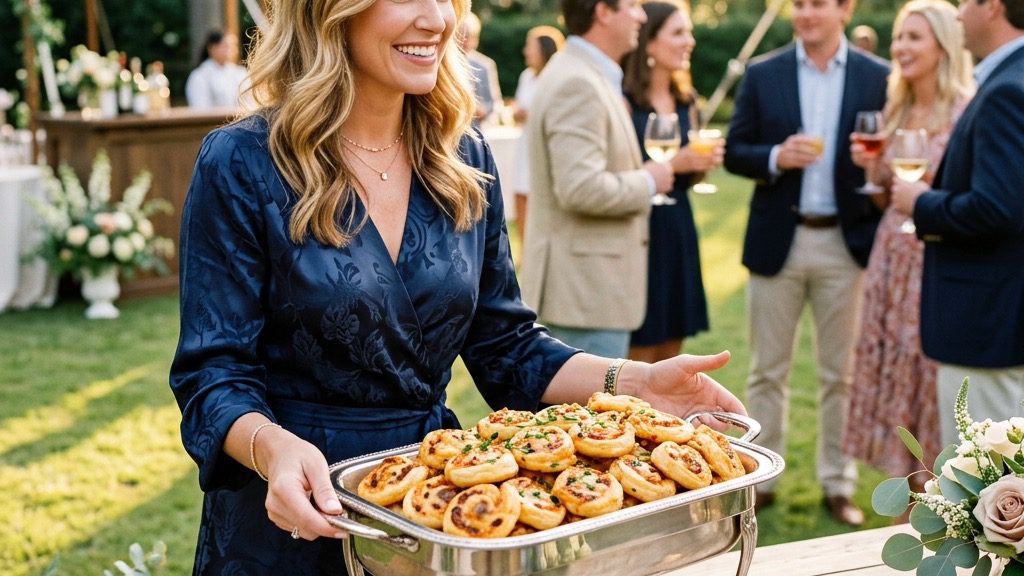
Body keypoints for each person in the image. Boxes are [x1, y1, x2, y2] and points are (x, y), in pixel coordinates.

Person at [169, 0, 745, 573]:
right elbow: (212, 375)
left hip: (432, 517)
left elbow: (507, 346)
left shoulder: (463, 158)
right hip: (284, 521)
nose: (437, 19)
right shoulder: (242, 161)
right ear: (330, 12)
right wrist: (272, 449)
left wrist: (634, 382)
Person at [724, 0, 889, 526]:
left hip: (846, 244)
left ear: (845, 9)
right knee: (767, 370)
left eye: (817, 3)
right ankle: (763, 479)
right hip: (780, 239)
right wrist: (775, 157)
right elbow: (734, 150)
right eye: (797, 4)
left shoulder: (879, 77)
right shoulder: (762, 72)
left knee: (840, 375)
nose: (805, 13)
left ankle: (837, 482)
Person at [842, 0, 974, 494]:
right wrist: (867, 170)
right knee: (892, 363)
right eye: (899, 37)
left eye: (914, 37)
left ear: (943, 45)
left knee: (927, 372)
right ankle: (904, 494)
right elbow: (884, 199)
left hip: (933, 258)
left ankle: (935, 494)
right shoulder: (892, 109)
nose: (900, 47)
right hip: (890, 258)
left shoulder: (965, 109)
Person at [892, 0, 1024, 448]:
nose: (960, 12)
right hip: (1003, 314)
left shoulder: (1007, 89)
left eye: (967, 2)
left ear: (993, 7)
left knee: (985, 480)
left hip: (988, 322)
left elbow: (996, 208)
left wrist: (921, 202)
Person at [520, 0, 675, 359]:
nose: (640, 16)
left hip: (586, 293)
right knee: (589, 416)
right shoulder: (578, 81)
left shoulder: (586, 74)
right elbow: (580, 189)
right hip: (583, 297)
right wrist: (650, 180)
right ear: (603, 12)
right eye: (633, 5)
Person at [620, 0, 719, 363]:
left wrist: (701, 164)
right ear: (649, 42)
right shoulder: (626, 100)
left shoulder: (684, 97)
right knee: (641, 347)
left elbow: (683, 174)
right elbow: (625, 170)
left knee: (674, 340)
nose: (689, 41)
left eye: (688, 32)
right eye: (678, 33)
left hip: (678, 224)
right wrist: (678, 161)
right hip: (642, 228)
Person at [511, 25, 565, 256]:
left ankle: (543, 253)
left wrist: (529, 114)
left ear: (543, 50)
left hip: (545, 148)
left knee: (538, 199)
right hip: (525, 145)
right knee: (520, 195)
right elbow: (519, 107)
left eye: (530, 47)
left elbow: (557, 114)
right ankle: (525, 254)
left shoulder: (556, 79)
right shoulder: (526, 77)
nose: (525, 51)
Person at [184, 30, 250, 110]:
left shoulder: (240, 73)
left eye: (234, 45)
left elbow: (249, 102)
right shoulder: (199, 76)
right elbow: (200, 108)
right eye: (226, 46)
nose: (232, 49)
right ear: (212, 48)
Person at [458, 12, 503, 125]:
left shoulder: (485, 65)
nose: (464, 40)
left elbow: (494, 104)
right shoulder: (441, 63)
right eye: (460, 35)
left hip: (475, 129)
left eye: (469, 36)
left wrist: (481, 110)